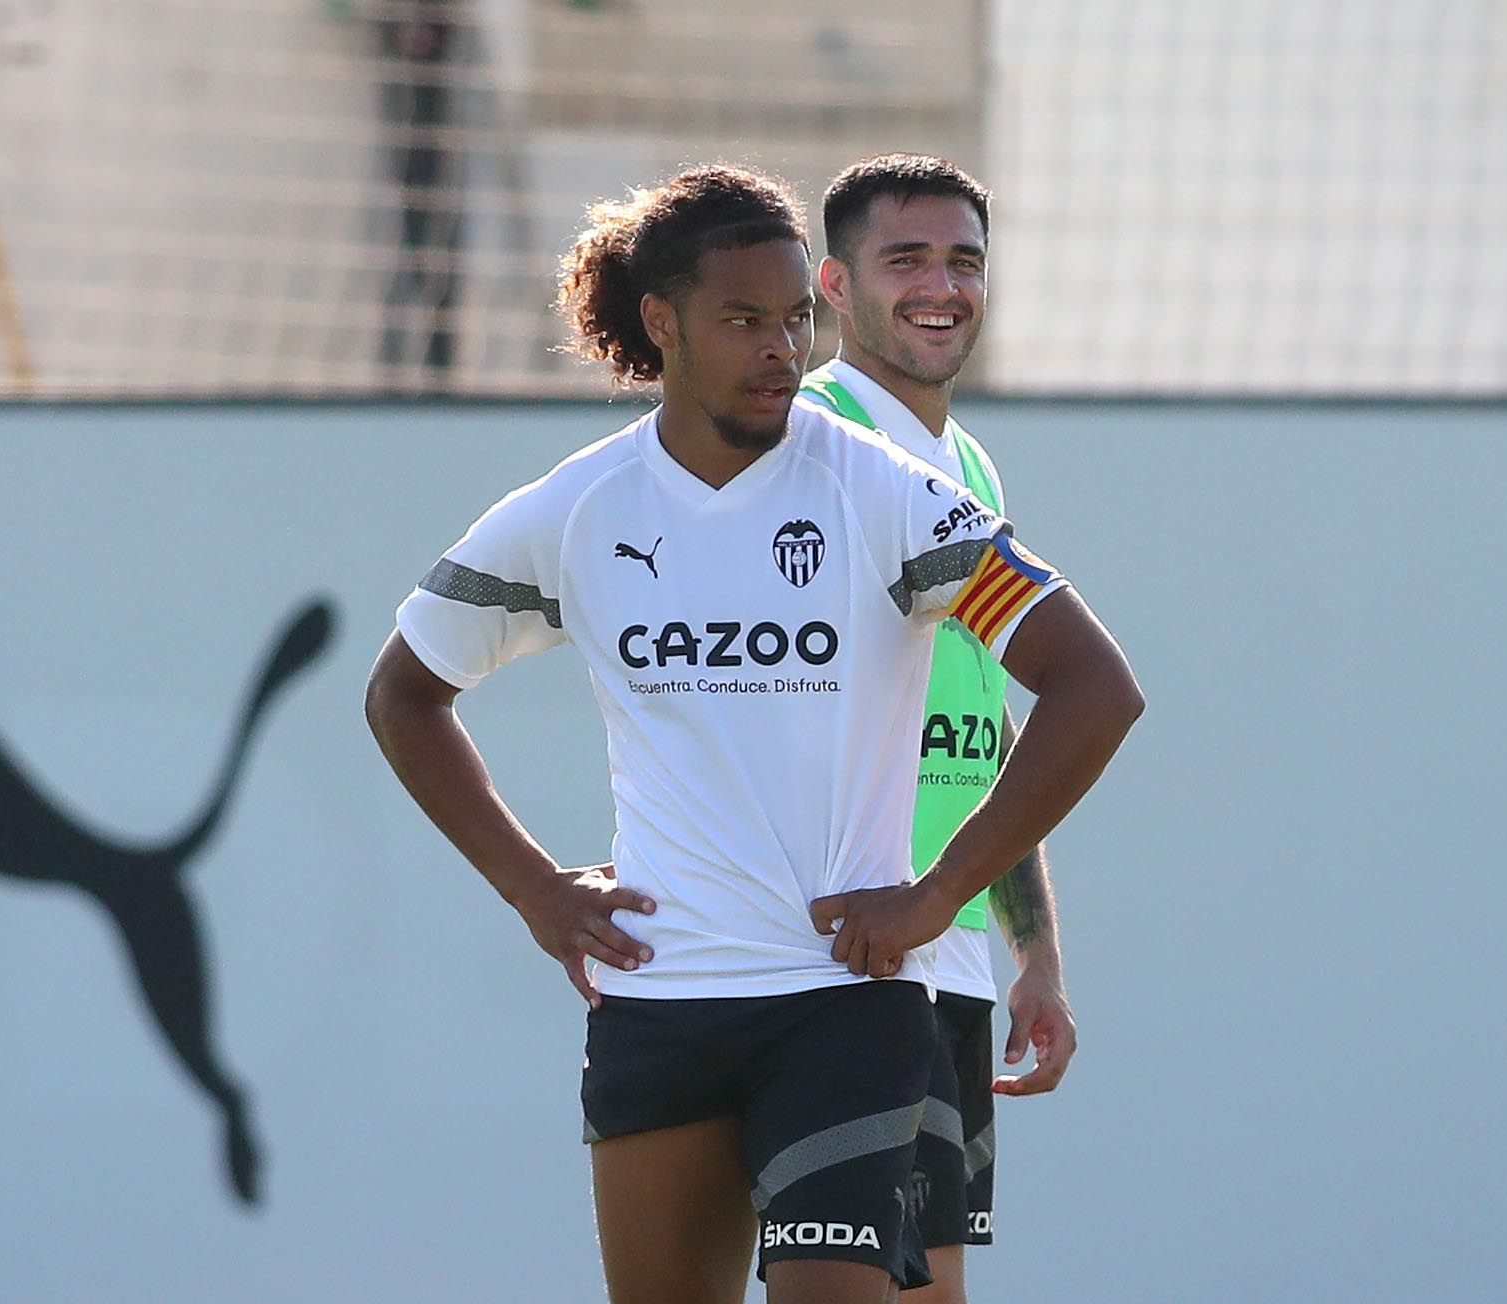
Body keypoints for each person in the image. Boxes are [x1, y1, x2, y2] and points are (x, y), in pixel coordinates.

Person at [365, 164, 1143, 1304]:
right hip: (659, 1003)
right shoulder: (579, 508)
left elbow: (1092, 686)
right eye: (743, 320)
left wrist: (935, 896)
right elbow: (404, 693)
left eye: (795, 320)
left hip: (844, 1004)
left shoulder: (890, 494)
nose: (779, 347)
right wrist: (533, 887)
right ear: (661, 323)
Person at [801, 153, 1071, 1303]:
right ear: (831, 282)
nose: (940, 286)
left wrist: (1034, 947)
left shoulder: (963, 463)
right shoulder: (803, 445)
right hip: (842, 938)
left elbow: (990, 724)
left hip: (944, 939)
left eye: (963, 260)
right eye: (903, 258)